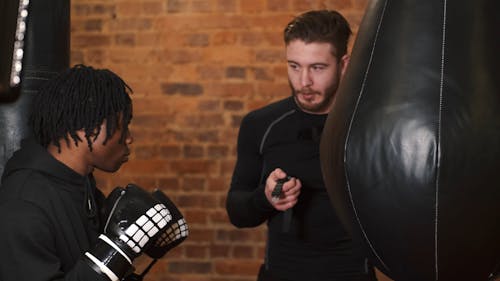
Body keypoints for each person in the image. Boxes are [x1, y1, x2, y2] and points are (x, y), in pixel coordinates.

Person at [226, 10, 376, 281]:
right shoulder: (261, 124)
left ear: (344, 65)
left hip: (353, 275)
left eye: (317, 68)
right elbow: (237, 212)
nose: (304, 81)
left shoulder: (371, 126)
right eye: (294, 66)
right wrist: (266, 198)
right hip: (281, 274)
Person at [0, 64, 188, 281]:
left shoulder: (79, 185)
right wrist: (116, 251)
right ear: (86, 127)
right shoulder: (22, 205)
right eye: (122, 125)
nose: (129, 138)